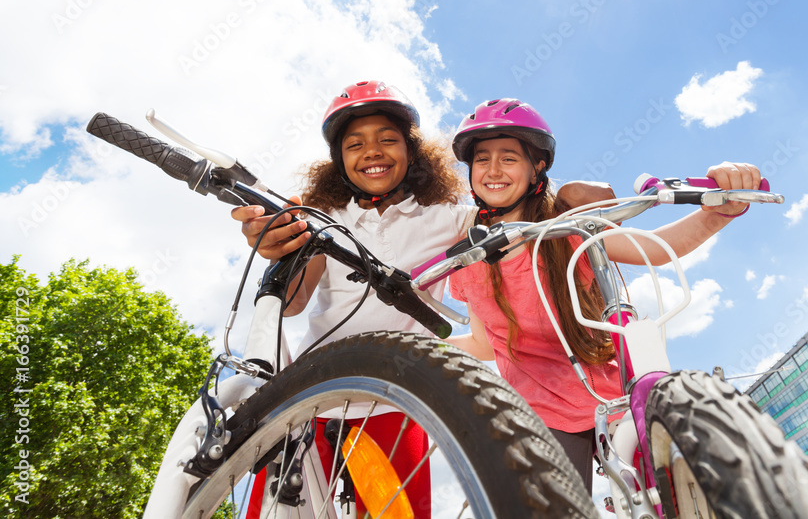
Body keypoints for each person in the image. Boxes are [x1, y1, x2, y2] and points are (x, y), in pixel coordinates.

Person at [231, 82, 610, 516]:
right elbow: (294, 303)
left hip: (395, 400)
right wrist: (277, 244)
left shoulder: (448, 219)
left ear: (412, 153)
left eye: (388, 140)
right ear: (339, 161)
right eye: (354, 144)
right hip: (312, 393)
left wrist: (573, 198)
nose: (371, 151)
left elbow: (515, 209)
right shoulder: (325, 219)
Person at [445, 97, 761, 491]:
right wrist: (416, 347)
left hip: (613, 395)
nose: (493, 170)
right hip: (541, 412)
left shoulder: (564, 228)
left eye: (508, 158)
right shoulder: (469, 256)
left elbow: (657, 248)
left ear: (536, 166)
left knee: (681, 490)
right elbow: (484, 342)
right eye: (481, 159)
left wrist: (720, 210)